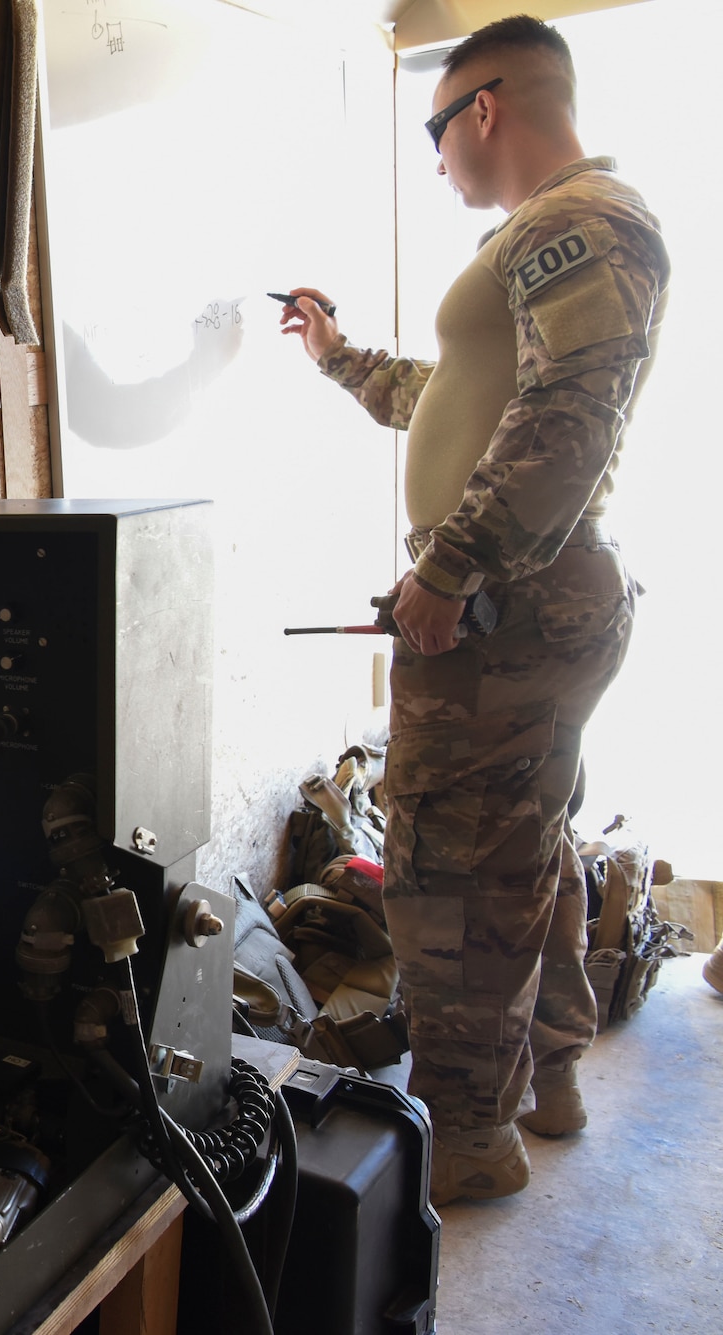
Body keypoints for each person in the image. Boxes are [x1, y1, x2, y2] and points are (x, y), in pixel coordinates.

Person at [281, 16, 668, 1205]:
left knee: (447, 880)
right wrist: (341, 359)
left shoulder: (581, 224)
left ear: (482, 109)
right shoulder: (532, 240)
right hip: (523, 601)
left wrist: (444, 576)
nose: (436, 156)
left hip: (511, 607)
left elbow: (566, 422)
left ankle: (467, 1146)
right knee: (516, 850)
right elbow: (461, 399)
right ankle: (543, 1080)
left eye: (434, 129)